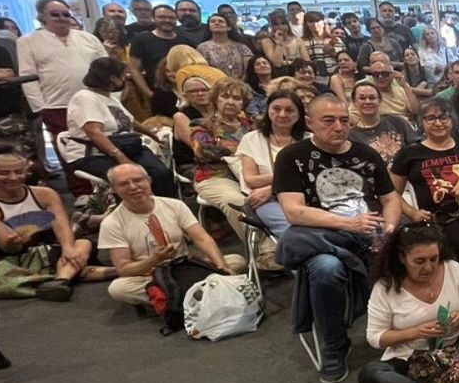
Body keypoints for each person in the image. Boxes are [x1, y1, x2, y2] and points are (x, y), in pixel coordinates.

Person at [273, 93, 402, 383]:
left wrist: (390, 231)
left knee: (410, 247)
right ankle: (334, 344)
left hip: (370, 232)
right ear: (309, 123)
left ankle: (402, 332)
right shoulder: (292, 157)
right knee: (326, 268)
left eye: (344, 120)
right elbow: (294, 212)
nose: (338, 127)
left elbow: (391, 199)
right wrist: (350, 224)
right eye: (328, 120)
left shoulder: (365, 155)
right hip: (322, 234)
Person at [361, 222, 459, 383]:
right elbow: (375, 337)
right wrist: (416, 332)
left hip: (456, 344)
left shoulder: (452, 268)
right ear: (402, 258)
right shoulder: (385, 287)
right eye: (419, 261)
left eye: (434, 259)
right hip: (412, 355)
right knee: (370, 375)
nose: (428, 267)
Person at [0, 150, 109, 301]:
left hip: (57, 252)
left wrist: (68, 249)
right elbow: (8, 248)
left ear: (26, 171)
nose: (13, 177)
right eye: (4, 173)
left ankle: (60, 281)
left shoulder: (45, 194)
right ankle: (70, 276)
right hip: (17, 259)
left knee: (81, 244)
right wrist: (14, 241)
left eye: (18, 172)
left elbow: (61, 226)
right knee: (70, 260)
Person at [98, 162, 243, 308]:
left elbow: (202, 239)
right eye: (124, 184)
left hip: (185, 267)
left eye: (137, 180)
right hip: (150, 276)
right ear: (114, 189)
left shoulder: (174, 205)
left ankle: (173, 298)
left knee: (236, 261)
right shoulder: (112, 223)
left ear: (148, 180)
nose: (133, 187)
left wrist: (221, 267)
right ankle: (195, 293)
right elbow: (124, 269)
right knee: (118, 289)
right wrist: (155, 259)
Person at [390, 99, 459, 295]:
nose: (438, 123)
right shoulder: (410, 153)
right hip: (442, 217)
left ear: (451, 121)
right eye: (431, 118)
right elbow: (392, 192)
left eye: (443, 117)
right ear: (422, 122)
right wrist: (412, 213)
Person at [187, 79, 276, 270]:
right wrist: (242, 149)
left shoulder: (252, 125)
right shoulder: (202, 125)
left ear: (243, 103)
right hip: (215, 177)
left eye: (237, 98)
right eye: (225, 96)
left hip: (250, 175)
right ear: (216, 99)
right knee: (237, 202)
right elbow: (202, 150)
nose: (231, 102)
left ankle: (276, 248)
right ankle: (261, 255)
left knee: (270, 196)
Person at [57, 58, 176, 198]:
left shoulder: (110, 98)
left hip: (126, 145)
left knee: (161, 173)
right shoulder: (85, 98)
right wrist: (121, 157)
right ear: (113, 78)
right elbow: (93, 132)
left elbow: (130, 121)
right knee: (131, 177)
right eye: (123, 74)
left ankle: (167, 209)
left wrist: (152, 135)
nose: (126, 77)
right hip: (94, 152)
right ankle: (136, 212)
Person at [17, 0, 107, 167]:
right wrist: (40, 107)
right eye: (55, 14)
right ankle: (79, 190)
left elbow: (106, 69)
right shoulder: (28, 41)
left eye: (65, 14)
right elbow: (27, 76)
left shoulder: (88, 38)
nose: (61, 18)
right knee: (70, 148)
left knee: (102, 144)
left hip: (93, 102)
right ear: (42, 17)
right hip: (55, 105)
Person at [236, 88, 304, 237]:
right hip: (266, 200)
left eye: (289, 110)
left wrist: (273, 187)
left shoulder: (309, 139)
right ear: (268, 111)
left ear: (299, 114)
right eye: (276, 109)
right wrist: (290, 179)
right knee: (292, 233)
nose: (282, 114)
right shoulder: (252, 138)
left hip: (304, 197)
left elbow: (314, 178)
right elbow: (251, 180)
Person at [348, 80, 414, 166]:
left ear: (380, 100)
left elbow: (415, 148)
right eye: (362, 98)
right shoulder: (352, 136)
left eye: (372, 98)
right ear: (354, 102)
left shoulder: (397, 121)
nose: (367, 102)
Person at [128, 4, 191, 92]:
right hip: (155, 91)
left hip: (183, 91)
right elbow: (134, 69)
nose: (167, 20)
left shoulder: (185, 41)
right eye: (162, 17)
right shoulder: (141, 39)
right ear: (153, 18)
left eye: (171, 18)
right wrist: (149, 94)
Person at [363, 53, 420, 119]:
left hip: (406, 123)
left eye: (384, 74)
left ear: (392, 74)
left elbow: (415, 110)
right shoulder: (365, 89)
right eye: (376, 74)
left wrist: (405, 86)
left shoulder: (401, 85)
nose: (380, 77)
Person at [197, 13, 253, 80]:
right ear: (209, 27)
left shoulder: (242, 47)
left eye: (221, 21)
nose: (217, 23)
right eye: (213, 21)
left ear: (229, 27)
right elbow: (203, 71)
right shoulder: (202, 48)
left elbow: (249, 70)